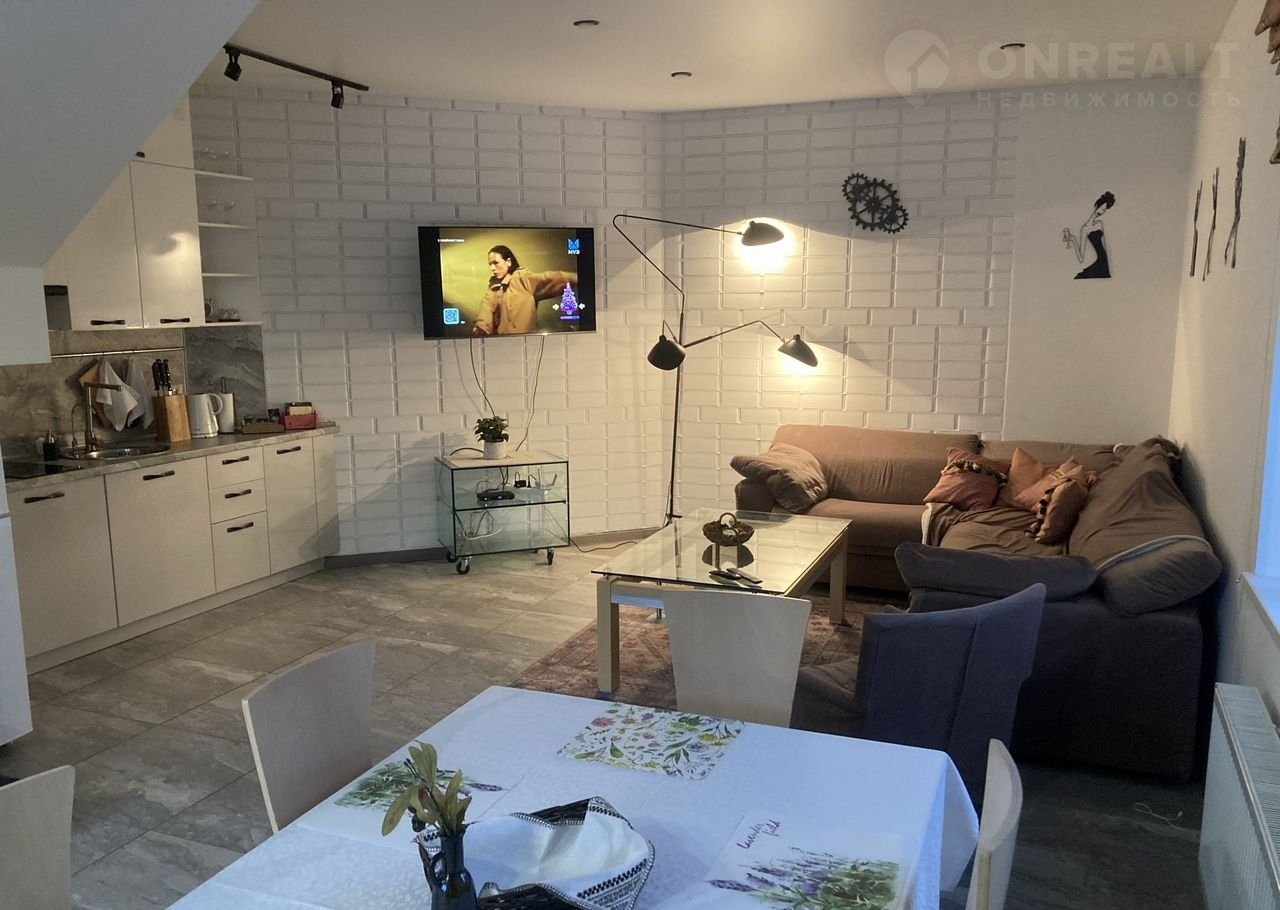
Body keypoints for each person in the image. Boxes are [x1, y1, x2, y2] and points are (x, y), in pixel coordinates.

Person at [472, 245, 577, 335]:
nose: (492, 268)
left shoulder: (522, 279)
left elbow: (551, 278)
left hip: (528, 342)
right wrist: (480, 330)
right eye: (490, 264)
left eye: (496, 263)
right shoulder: (493, 288)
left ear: (508, 262)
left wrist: (580, 277)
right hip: (502, 344)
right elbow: (486, 313)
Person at [1062, 192, 1115, 279]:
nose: (1101, 212)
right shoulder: (1085, 228)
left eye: (1104, 210)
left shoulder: (1099, 224)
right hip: (1099, 264)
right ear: (1097, 205)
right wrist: (1073, 239)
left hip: (1105, 264)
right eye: (1101, 208)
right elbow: (1081, 258)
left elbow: (1106, 249)